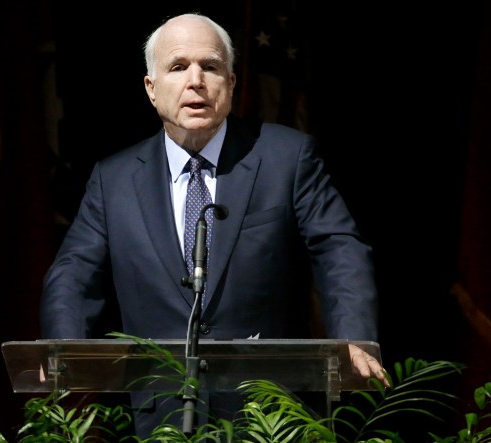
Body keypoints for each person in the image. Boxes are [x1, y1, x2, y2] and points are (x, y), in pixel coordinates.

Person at [41, 12, 388, 438]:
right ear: (151, 89)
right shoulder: (113, 180)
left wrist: (353, 337)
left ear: (232, 82)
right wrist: (65, 354)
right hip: (160, 417)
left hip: (270, 413)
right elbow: (73, 276)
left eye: (210, 66)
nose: (196, 81)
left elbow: (340, 248)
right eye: (177, 67)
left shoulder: (287, 158)